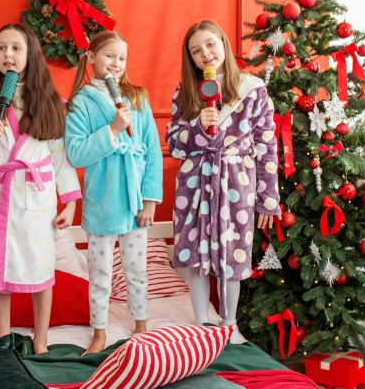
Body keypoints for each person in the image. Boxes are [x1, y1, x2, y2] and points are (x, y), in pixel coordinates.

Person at [0, 23, 81, 354]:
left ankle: (40, 339)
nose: (8, 55)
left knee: (41, 267)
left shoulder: (53, 102)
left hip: (35, 197)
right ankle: (2, 338)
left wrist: (69, 202)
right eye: (1, 48)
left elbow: (60, 157)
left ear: (31, 55)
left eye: (16, 48)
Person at [165, 20, 280, 344]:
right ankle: (202, 323)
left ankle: (229, 323)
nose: (205, 54)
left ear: (223, 44)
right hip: (195, 183)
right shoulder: (184, 92)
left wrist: (267, 198)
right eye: (196, 51)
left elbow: (266, 145)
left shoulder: (253, 90)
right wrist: (198, 128)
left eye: (210, 45)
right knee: (196, 252)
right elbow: (173, 143)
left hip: (235, 181)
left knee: (234, 253)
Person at [65, 31, 163, 355]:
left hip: (134, 200)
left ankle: (141, 326)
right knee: (100, 272)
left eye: (122, 58)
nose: (116, 64)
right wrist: (112, 131)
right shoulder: (81, 101)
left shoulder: (137, 98)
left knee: (137, 269)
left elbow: (151, 150)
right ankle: (99, 332)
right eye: (109, 56)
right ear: (91, 58)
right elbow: (76, 153)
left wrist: (149, 199)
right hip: (104, 199)